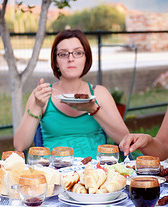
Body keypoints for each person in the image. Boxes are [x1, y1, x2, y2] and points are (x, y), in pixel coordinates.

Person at [14, 29, 129, 158]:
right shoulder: (42, 95)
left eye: (78, 53)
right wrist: (36, 106)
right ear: (56, 61)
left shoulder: (100, 93)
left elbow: (125, 140)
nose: (71, 58)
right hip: (55, 174)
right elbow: (20, 145)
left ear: (86, 58)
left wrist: (94, 110)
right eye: (63, 54)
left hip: (96, 173)